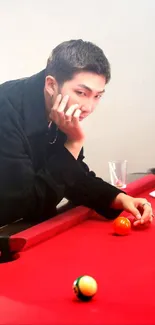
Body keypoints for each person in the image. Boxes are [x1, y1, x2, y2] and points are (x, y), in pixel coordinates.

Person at [0, 39, 153, 226]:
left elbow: (72, 176)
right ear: (50, 85)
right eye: (81, 93)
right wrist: (74, 142)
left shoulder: (59, 108)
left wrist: (118, 198)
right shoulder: (5, 110)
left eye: (97, 96)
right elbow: (26, 204)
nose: (89, 107)